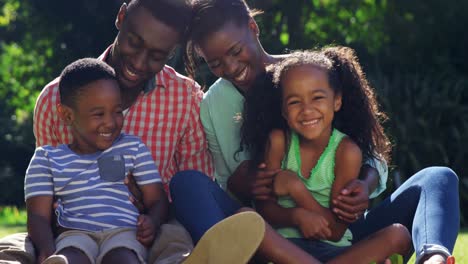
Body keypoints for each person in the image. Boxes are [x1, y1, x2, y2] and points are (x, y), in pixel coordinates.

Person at [171, 0, 460, 263]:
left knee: (438, 178)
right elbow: (227, 182)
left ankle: (433, 258)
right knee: (187, 184)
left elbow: (370, 152)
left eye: (235, 51)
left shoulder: (313, 73)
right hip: (270, 237)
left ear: (253, 27)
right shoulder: (213, 105)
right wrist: (257, 182)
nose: (231, 67)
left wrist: (364, 186)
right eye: (215, 63)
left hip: (341, 232)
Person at [0, 0, 215, 263]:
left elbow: (193, 190)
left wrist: (151, 213)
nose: (138, 61)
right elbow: (45, 201)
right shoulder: (56, 99)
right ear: (121, 17)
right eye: (134, 43)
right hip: (73, 228)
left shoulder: (187, 98)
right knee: (12, 249)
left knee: (175, 242)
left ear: (171, 52)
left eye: (156, 55)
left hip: (153, 227)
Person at [250, 47, 411, 263]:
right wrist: (296, 217)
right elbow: (263, 208)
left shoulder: (346, 151)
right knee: (246, 219)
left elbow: (335, 231)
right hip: (286, 251)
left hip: (334, 252)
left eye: (317, 98)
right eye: (294, 102)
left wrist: (297, 190)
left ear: (337, 101)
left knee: (398, 234)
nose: (307, 110)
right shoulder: (279, 141)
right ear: (283, 110)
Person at [25, 58, 168, 264]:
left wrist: (152, 221)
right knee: (70, 259)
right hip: (74, 234)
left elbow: (157, 199)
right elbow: (37, 216)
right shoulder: (47, 159)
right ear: (67, 115)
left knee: (123, 259)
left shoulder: (132, 148)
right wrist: (47, 249)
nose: (110, 122)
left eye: (117, 111)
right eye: (98, 114)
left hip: (124, 233)